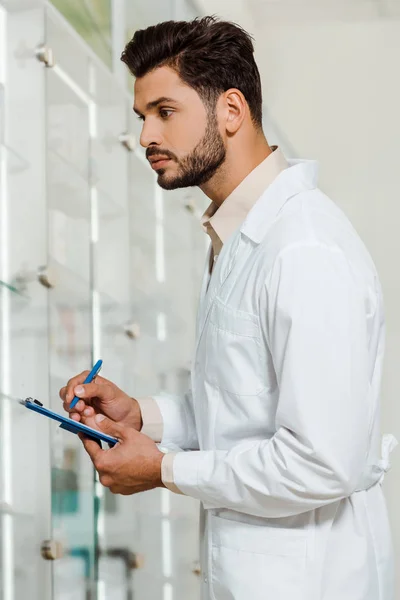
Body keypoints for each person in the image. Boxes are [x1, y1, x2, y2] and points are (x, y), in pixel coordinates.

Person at [60, 16, 397, 600]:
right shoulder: (238, 239)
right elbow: (245, 411)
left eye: (165, 112)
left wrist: (163, 470)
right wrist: (144, 416)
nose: (145, 136)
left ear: (231, 111)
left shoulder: (304, 250)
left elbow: (323, 461)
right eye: (142, 117)